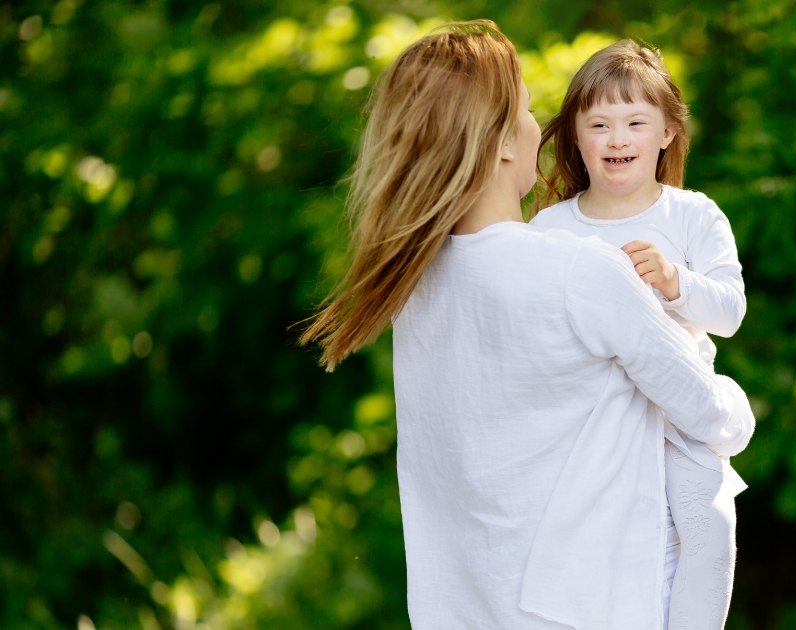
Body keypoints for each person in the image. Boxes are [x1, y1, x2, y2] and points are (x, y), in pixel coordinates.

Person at [298, 21, 754, 630]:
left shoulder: (415, 290)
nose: (538, 130)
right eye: (528, 110)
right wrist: (730, 396)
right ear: (502, 143)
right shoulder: (581, 273)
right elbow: (715, 420)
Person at [529, 40, 748, 630]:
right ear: (576, 136)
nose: (618, 138)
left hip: (680, 419)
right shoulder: (551, 228)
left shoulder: (692, 216)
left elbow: (730, 311)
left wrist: (676, 281)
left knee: (709, 524)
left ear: (668, 133)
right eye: (599, 124)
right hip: (591, 425)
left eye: (635, 123)